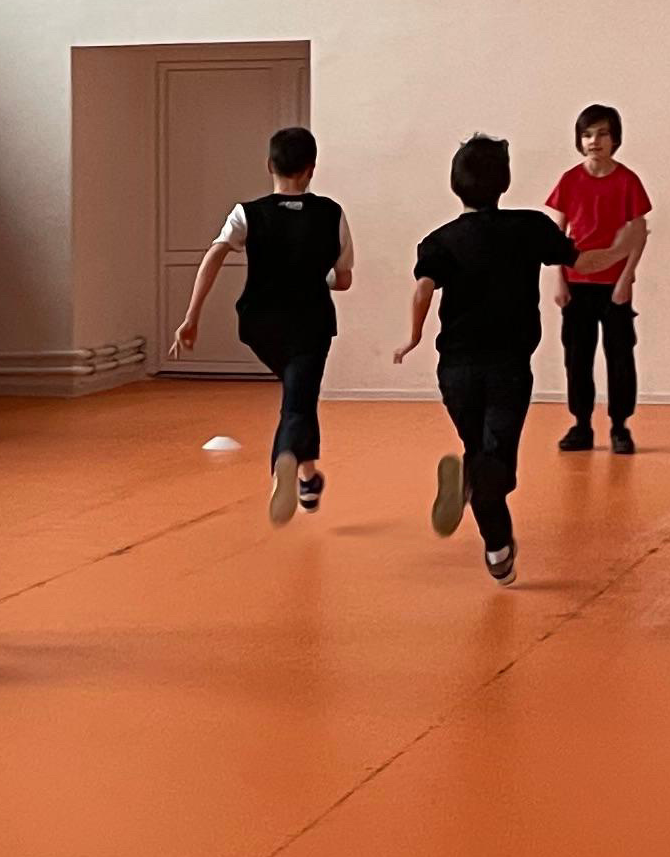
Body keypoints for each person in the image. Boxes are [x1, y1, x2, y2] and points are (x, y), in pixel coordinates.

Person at [394, 133, 576, 584]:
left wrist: (413, 337)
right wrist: (621, 248)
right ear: (504, 182)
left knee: (479, 450)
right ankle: (478, 492)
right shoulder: (530, 227)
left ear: (455, 185)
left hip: (455, 369)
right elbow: (578, 258)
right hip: (508, 366)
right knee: (497, 460)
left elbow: (422, 289)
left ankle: (497, 548)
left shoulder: (440, 241)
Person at [169, 122, 350, 523]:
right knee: (298, 400)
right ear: (311, 168)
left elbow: (215, 255)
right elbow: (344, 279)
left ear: (270, 164)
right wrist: (317, 277)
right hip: (311, 323)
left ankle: (308, 478)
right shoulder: (331, 214)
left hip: (260, 325)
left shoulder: (247, 214)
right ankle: (285, 463)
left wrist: (191, 316)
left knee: (298, 394)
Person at [548, 101, 652, 453]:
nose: (595, 141)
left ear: (615, 139)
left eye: (603, 134)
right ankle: (581, 424)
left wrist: (626, 279)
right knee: (577, 358)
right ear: (580, 140)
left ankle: (620, 426)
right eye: (588, 134)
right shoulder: (569, 180)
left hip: (613, 286)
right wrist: (559, 280)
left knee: (619, 356)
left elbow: (638, 233)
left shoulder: (627, 181)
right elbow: (558, 236)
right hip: (576, 284)